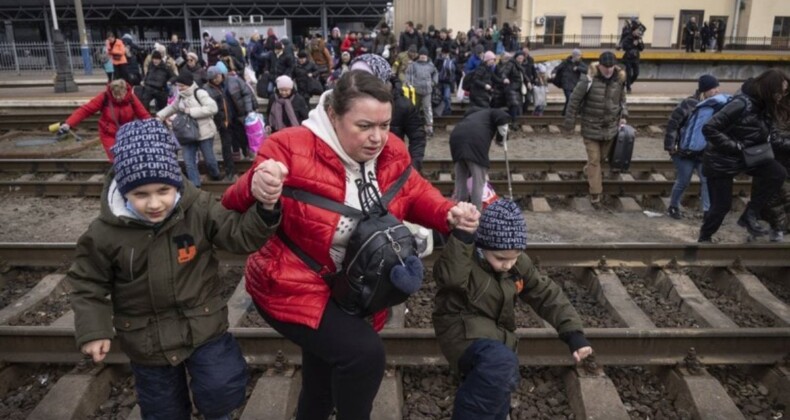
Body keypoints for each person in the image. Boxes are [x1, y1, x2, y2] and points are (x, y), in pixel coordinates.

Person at [221, 70, 480, 419]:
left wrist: (449, 213)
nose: (378, 138)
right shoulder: (288, 147)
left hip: (354, 288)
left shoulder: (392, 150)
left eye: (385, 125)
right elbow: (231, 203)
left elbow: (415, 191)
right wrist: (257, 184)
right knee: (364, 355)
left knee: (322, 375)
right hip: (290, 283)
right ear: (332, 115)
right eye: (364, 126)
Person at [68, 118, 283, 420]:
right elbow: (87, 283)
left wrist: (266, 208)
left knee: (221, 390)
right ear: (124, 190)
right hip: (147, 341)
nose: (155, 203)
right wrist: (93, 330)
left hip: (203, 326)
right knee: (162, 410)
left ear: (176, 182)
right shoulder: (104, 233)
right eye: (141, 195)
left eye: (163, 190)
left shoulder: (198, 208)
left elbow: (238, 235)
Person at [433, 199, 592, 420]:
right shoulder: (465, 258)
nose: (508, 264)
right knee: (500, 364)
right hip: (461, 330)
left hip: (494, 335)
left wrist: (573, 333)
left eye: (514, 257)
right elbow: (450, 277)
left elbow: (546, 293)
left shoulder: (516, 264)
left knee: (498, 379)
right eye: (500, 258)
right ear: (482, 246)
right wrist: (462, 237)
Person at [699, 70, 789, 242]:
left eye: (784, 92)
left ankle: (750, 214)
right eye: (780, 92)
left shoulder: (765, 105)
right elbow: (709, 128)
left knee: (777, 173)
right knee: (721, 207)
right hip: (722, 161)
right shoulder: (742, 103)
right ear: (769, 88)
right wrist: (734, 146)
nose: (781, 96)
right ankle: (705, 238)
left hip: (748, 157)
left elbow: (772, 136)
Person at [563, 51, 628, 207]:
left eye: (611, 67)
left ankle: (589, 172)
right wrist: (569, 125)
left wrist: (624, 116)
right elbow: (573, 102)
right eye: (605, 67)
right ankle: (595, 195)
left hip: (610, 129)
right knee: (594, 161)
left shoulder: (619, 79)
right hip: (591, 128)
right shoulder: (588, 80)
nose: (608, 70)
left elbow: (622, 100)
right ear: (599, 65)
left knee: (601, 159)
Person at [664, 75, 728, 220]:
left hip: (704, 152)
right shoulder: (689, 104)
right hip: (683, 152)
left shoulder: (717, 106)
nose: (717, 91)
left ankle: (707, 211)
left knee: (706, 180)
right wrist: (670, 145)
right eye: (713, 88)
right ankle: (673, 206)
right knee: (683, 180)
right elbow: (673, 124)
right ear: (704, 90)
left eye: (717, 87)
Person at [351, 53, 427, 171]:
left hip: (390, 168)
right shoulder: (348, 102)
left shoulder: (402, 105)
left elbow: (417, 137)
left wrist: (413, 167)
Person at [156, 73, 222, 188]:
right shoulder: (181, 96)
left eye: (181, 86)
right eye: (178, 86)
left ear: (188, 85)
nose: (179, 88)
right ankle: (195, 185)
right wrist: (160, 116)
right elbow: (173, 107)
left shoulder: (199, 93)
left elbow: (212, 108)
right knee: (189, 162)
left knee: (209, 159)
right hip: (187, 133)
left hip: (204, 132)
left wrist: (191, 111)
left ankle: (215, 174)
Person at [60, 79, 149, 161]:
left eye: (120, 95)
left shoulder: (131, 98)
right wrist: (69, 123)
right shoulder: (104, 97)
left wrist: (153, 125)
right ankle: (116, 174)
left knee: (130, 157)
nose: (118, 98)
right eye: (115, 95)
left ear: (125, 91)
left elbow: (143, 114)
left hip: (127, 134)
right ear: (111, 92)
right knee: (116, 158)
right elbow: (86, 110)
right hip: (109, 133)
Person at [450, 108, 511, 210]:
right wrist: (501, 139)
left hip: (456, 138)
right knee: (478, 182)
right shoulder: (493, 112)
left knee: (460, 180)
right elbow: (503, 117)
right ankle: (476, 213)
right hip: (474, 143)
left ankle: (460, 210)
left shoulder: (473, 118)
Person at [205, 66, 237, 180]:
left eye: (217, 76)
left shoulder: (227, 82)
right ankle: (227, 170)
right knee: (224, 146)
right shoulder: (207, 89)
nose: (216, 79)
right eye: (213, 78)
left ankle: (231, 168)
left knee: (229, 144)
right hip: (220, 121)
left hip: (230, 118)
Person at [762, 130, 790, 242]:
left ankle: (780, 229)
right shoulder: (774, 117)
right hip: (779, 166)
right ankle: (777, 229)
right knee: (777, 200)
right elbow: (774, 140)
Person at [406, 47, 438, 137]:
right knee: (414, 109)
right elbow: (408, 74)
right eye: (422, 55)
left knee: (427, 108)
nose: (423, 56)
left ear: (427, 56)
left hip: (427, 90)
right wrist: (409, 84)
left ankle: (429, 127)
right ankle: (414, 127)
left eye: (425, 55)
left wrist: (434, 82)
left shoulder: (431, 65)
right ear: (419, 55)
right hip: (416, 90)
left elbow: (436, 73)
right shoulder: (413, 65)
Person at [552, 49, 587, 116]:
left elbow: (586, 70)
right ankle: (567, 114)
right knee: (569, 98)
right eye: (579, 56)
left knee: (572, 100)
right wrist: (553, 73)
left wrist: (578, 68)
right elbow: (557, 68)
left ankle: (565, 114)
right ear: (574, 56)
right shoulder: (566, 62)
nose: (580, 57)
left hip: (575, 84)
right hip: (566, 84)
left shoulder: (580, 63)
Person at [621, 26, 644, 93]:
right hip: (628, 58)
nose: (638, 32)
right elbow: (624, 47)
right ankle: (628, 88)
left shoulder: (639, 38)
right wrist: (633, 44)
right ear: (633, 31)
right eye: (637, 30)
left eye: (638, 31)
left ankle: (628, 83)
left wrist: (640, 42)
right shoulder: (628, 37)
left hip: (636, 58)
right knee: (628, 73)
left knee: (636, 73)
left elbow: (642, 48)